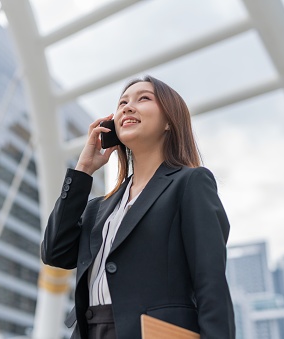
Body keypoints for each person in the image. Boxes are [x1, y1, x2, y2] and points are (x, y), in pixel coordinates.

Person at [41, 75, 235, 339]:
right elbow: (55, 252)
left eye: (143, 98)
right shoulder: (99, 208)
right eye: (122, 103)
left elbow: (210, 283)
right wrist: (83, 170)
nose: (127, 107)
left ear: (169, 121)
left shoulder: (190, 183)